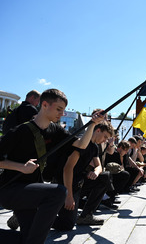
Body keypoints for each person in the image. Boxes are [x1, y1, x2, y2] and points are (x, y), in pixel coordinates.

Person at [0, 89, 104, 244]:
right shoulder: (20, 131)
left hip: (31, 190)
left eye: (63, 110)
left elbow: (81, 144)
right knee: (58, 192)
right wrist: (21, 167)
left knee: (29, 240)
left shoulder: (54, 130)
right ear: (44, 105)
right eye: (58, 109)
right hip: (10, 189)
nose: (62, 114)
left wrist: (92, 124)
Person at [52, 121, 115, 230]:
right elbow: (67, 169)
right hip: (65, 184)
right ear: (98, 130)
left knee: (104, 176)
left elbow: (99, 166)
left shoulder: (95, 147)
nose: (105, 140)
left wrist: (95, 172)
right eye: (105, 136)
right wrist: (69, 196)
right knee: (67, 224)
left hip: (79, 183)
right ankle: (31, 216)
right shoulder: (81, 143)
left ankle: (86, 215)